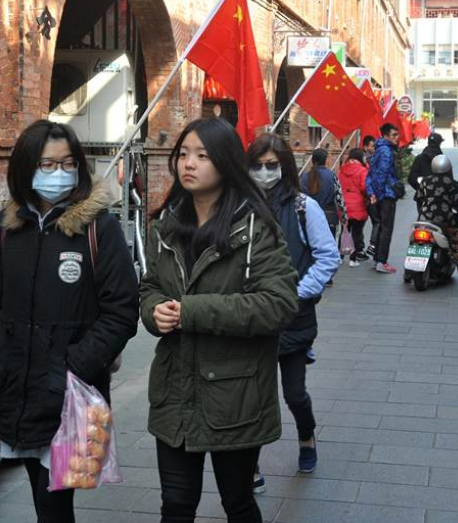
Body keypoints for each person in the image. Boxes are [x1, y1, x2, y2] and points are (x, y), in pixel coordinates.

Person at [140, 118, 298, 523]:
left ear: (225, 163)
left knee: (237, 503)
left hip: (235, 395)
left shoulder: (256, 227)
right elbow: (150, 287)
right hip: (175, 391)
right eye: (183, 154)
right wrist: (154, 311)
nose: (188, 164)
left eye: (202, 156)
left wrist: (191, 311)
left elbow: (278, 304)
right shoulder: (166, 225)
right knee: (176, 505)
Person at [0, 120, 139, 523]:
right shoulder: (7, 228)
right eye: (47, 164)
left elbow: (122, 310)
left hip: (68, 398)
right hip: (13, 389)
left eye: (67, 163)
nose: (58, 173)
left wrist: (72, 366)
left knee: (53, 506)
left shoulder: (99, 228)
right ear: (26, 168)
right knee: (37, 492)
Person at [246, 133, 339, 489]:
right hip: (250, 320)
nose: (264, 172)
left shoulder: (303, 207)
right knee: (252, 398)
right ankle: (249, 463)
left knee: (294, 394)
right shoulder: (238, 206)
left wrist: (295, 294)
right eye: (257, 166)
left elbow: (327, 256)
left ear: (284, 166)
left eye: (271, 165)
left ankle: (306, 435)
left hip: (292, 319)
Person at [366, 123, 401, 274]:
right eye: (394, 135)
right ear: (386, 136)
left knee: (381, 228)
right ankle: (382, 261)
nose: (397, 138)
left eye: (397, 135)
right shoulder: (386, 151)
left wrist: (372, 193)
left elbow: (369, 175)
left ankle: (377, 260)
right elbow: (381, 174)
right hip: (387, 195)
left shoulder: (378, 150)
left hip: (380, 195)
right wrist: (379, 195)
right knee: (387, 229)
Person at [416, 155, 458, 265]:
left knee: (416, 242)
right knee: (455, 243)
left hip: (424, 219)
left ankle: (411, 267)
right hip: (445, 220)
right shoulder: (453, 184)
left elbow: (419, 198)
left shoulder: (425, 181)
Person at [300, 148, 348, 238]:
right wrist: (344, 217)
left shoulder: (304, 177)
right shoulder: (331, 176)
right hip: (328, 217)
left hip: (309, 217)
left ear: (312, 160)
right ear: (325, 160)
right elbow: (339, 198)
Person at [338, 148, 369, 267]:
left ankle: (340, 257)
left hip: (344, 205)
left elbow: (338, 185)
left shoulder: (342, 169)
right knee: (356, 233)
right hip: (357, 204)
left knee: (344, 231)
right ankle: (353, 259)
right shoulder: (362, 170)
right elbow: (364, 187)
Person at [408, 132, 443, 212]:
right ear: (439, 143)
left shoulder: (419, 158)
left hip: (423, 197)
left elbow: (411, 179)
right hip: (440, 197)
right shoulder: (442, 159)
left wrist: (421, 189)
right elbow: (448, 179)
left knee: (423, 219)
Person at [362, 136, 380, 257]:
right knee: (377, 222)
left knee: (359, 225)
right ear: (365, 147)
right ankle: (373, 245)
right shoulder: (371, 161)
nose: (374, 149)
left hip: (361, 197)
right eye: (372, 146)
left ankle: (358, 250)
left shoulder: (359, 161)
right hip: (370, 196)